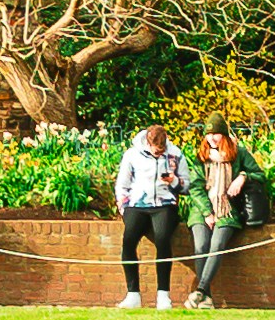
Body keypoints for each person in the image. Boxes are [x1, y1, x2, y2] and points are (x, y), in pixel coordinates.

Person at [111, 123, 189, 310]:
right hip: (137, 205)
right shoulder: (132, 155)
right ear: (148, 142)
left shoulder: (175, 154)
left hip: (165, 204)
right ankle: (133, 294)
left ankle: (163, 295)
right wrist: (123, 206)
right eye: (155, 149)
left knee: (162, 239)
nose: (158, 153)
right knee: (128, 240)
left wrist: (174, 181)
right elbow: (122, 184)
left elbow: (187, 186)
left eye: (161, 150)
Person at [188, 127, 260, 310]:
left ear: (225, 135)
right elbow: (195, 187)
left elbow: (259, 174)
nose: (212, 138)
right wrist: (207, 212)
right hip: (201, 210)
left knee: (217, 245)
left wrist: (243, 176)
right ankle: (206, 298)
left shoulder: (238, 153)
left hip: (227, 210)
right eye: (209, 134)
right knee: (201, 246)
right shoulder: (201, 156)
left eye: (216, 134)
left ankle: (200, 291)